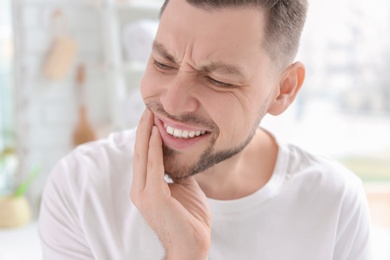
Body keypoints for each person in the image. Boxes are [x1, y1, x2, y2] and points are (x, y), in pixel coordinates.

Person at [38, 0, 372, 259]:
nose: (173, 101)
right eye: (162, 63)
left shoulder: (334, 201)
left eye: (218, 80)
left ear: (283, 89)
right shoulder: (81, 186)